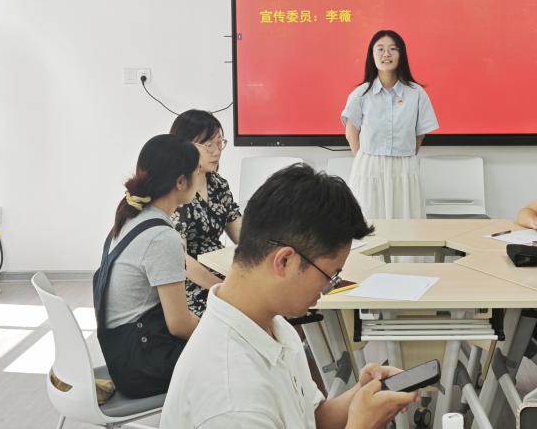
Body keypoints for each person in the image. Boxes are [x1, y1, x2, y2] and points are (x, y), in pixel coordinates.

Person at [161, 163, 418, 428]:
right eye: (329, 276)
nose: (329, 288)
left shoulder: (272, 325)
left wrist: (360, 396)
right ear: (285, 261)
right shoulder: (232, 399)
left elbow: (313, 418)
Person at [93, 134, 202, 398]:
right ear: (180, 182)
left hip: (123, 356)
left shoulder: (130, 218)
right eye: (197, 171)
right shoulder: (162, 237)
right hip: (142, 366)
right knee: (233, 357)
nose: (201, 177)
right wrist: (224, 333)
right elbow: (179, 324)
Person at [341, 30, 438, 219]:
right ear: (372, 55)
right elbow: (351, 132)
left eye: (393, 49)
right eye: (380, 49)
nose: (386, 54)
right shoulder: (361, 94)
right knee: (369, 222)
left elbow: (420, 133)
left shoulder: (416, 93)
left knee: (405, 220)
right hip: (369, 166)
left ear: (401, 55)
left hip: (404, 166)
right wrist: (366, 159)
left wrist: (403, 154)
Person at [169, 109, 242, 316]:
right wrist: (221, 289)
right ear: (185, 146)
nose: (217, 151)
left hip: (222, 273)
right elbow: (180, 261)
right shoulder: (175, 189)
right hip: (189, 284)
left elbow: (242, 235)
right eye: (209, 145)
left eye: (220, 143)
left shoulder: (218, 184)